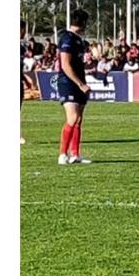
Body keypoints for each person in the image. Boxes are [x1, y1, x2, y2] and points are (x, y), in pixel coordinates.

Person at [55, 10, 92, 165]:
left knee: (78, 120)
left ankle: (75, 154)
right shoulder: (67, 38)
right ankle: (62, 154)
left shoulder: (79, 41)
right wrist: (80, 84)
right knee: (73, 118)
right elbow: (65, 64)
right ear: (83, 23)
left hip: (79, 82)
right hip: (68, 82)